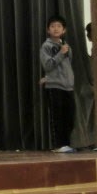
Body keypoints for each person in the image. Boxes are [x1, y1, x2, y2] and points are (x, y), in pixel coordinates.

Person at [40, 14, 75, 153]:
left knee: (69, 117)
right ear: (48, 30)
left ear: (64, 30)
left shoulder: (66, 47)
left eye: (59, 26)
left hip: (68, 86)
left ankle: (66, 144)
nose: (56, 29)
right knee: (58, 117)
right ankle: (59, 145)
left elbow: (68, 66)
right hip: (54, 86)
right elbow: (48, 65)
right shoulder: (46, 46)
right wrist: (60, 53)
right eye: (53, 26)